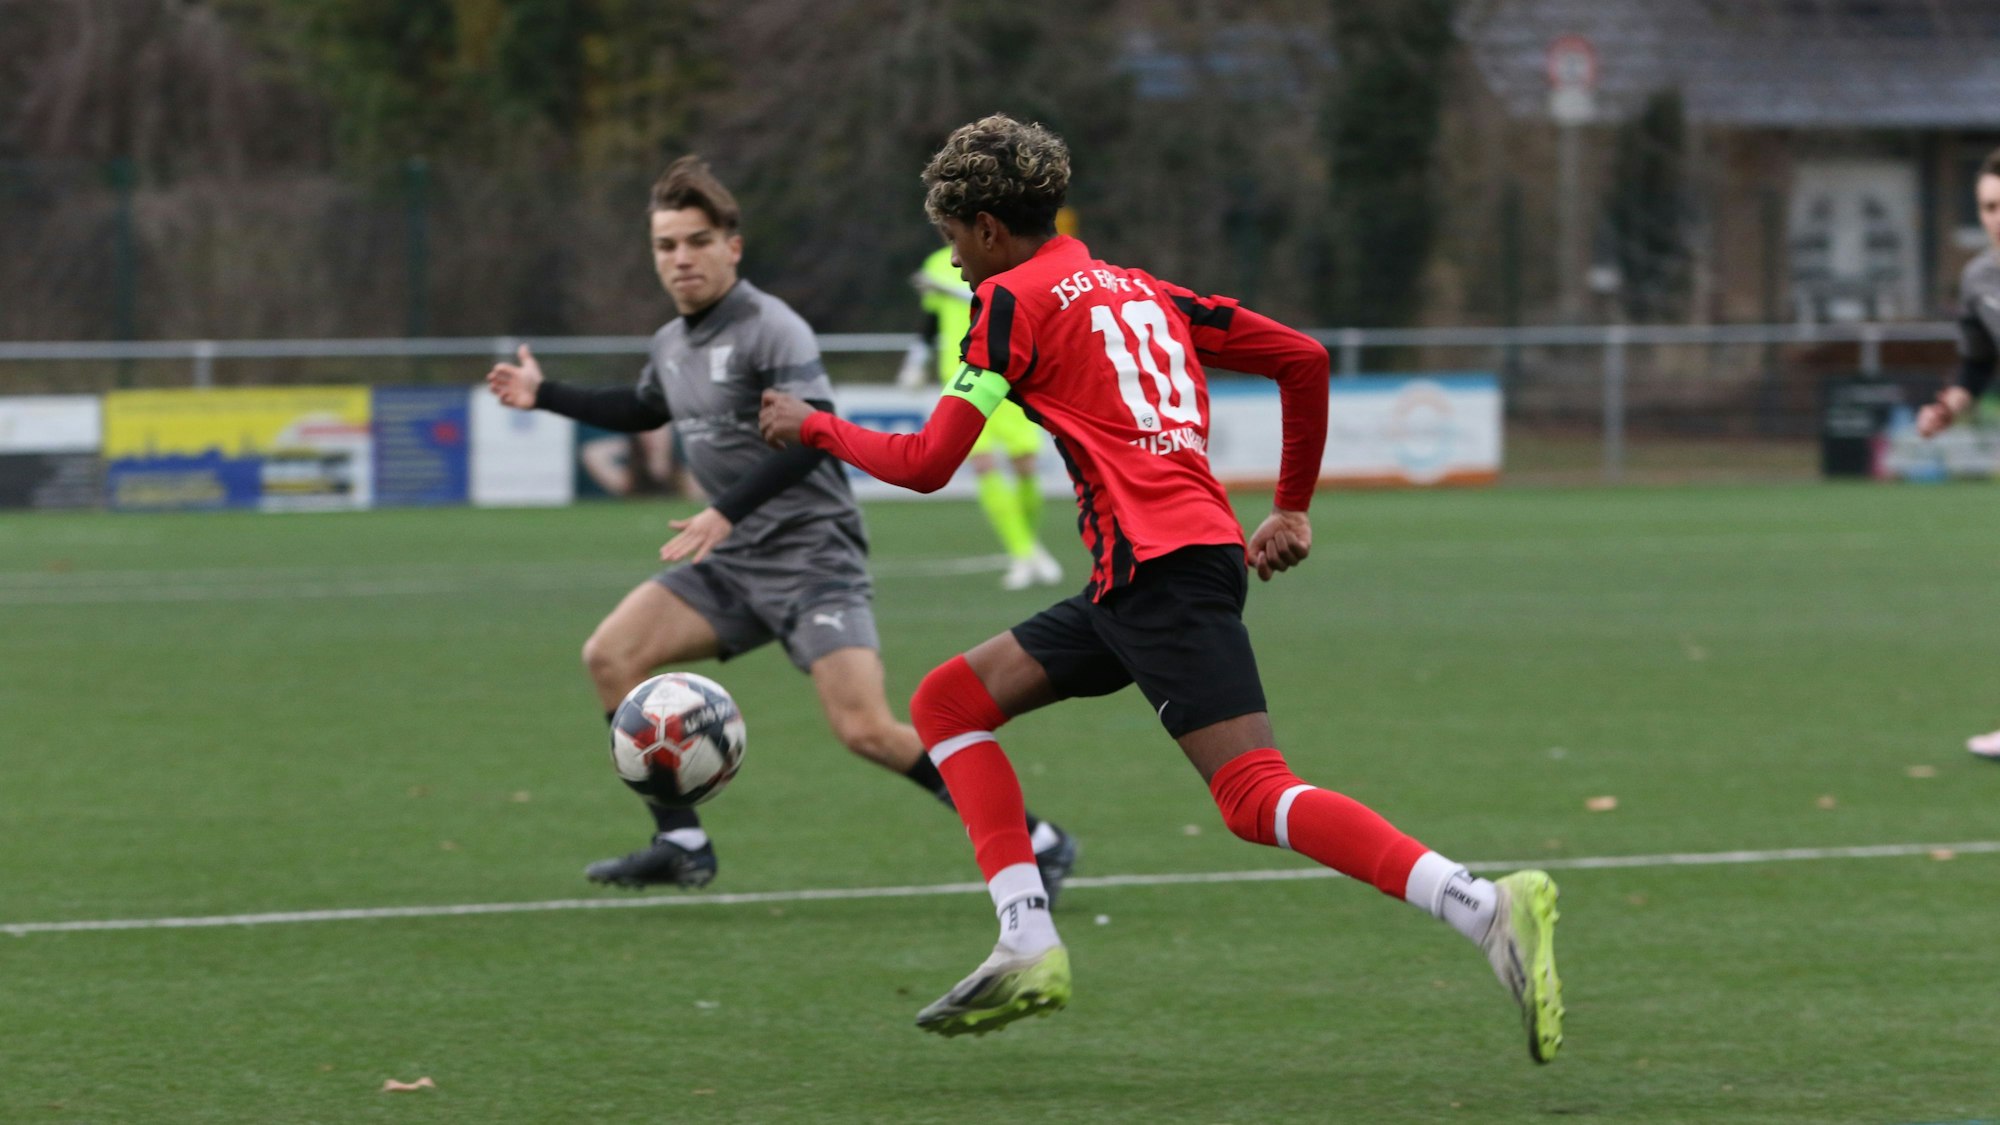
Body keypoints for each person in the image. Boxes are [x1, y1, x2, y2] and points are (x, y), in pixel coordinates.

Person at [760, 116, 1564, 1061]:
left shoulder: (1010, 300)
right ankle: (1026, 939)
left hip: (1157, 574)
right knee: (948, 702)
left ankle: (1482, 904)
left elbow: (929, 462)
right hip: (1160, 570)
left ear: (986, 228)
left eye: (952, 243)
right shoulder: (1144, 289)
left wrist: (815, 426)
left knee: (1253, 794)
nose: (956, 265)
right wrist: (1291, 506)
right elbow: (1302, 358)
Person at [486, 154, 1076, 893]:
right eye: (666, 245)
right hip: (732, 562)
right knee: (610, 655)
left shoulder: (771, 328)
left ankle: (1037, 839)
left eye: (697, 241)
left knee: (865, 729)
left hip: (812, 558)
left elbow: (812, 433)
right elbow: (640, 408)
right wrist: (543, 394)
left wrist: (723, 511)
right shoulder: (671, 344)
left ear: (732, 246)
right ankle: (681, 842)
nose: (681, 258)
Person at [898, 242, 1064, 590]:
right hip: (960, 378)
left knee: (1025, 465)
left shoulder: (1004, 256)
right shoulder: (936, 262)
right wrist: (916, 361)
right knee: (984, 464)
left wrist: (947, 289)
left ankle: (1029, 546)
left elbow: (1003, 301)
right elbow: (930, 321)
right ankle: (1023, 553)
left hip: (1005, 373)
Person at [1917, 145, 2000, 762]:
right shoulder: (1980, 280)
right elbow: (1977, 363)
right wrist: (1949, 405)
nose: (1997, 219)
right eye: (1989, 207)